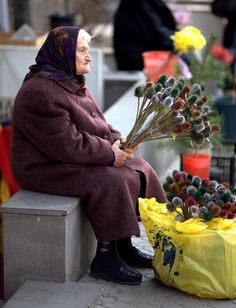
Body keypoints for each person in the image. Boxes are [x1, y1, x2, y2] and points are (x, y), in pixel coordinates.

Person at [11, 26, 167, 285]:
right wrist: (108, 154)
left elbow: (98, 124)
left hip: (66, 157)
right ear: (64, 53)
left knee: (139, 167)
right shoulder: (39, 92)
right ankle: (105, 259)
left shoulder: (68, 80)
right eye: (82, 50)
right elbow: (64, 144)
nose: (89, 57)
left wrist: (119, 140)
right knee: (111, 180)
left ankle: (123, 244)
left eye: (88, 50)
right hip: (43, 166)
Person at [113, 0, 177, 71]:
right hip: (139, 60)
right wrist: (180, 38)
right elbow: (156, 34)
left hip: (145, 56)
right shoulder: (139, 3)